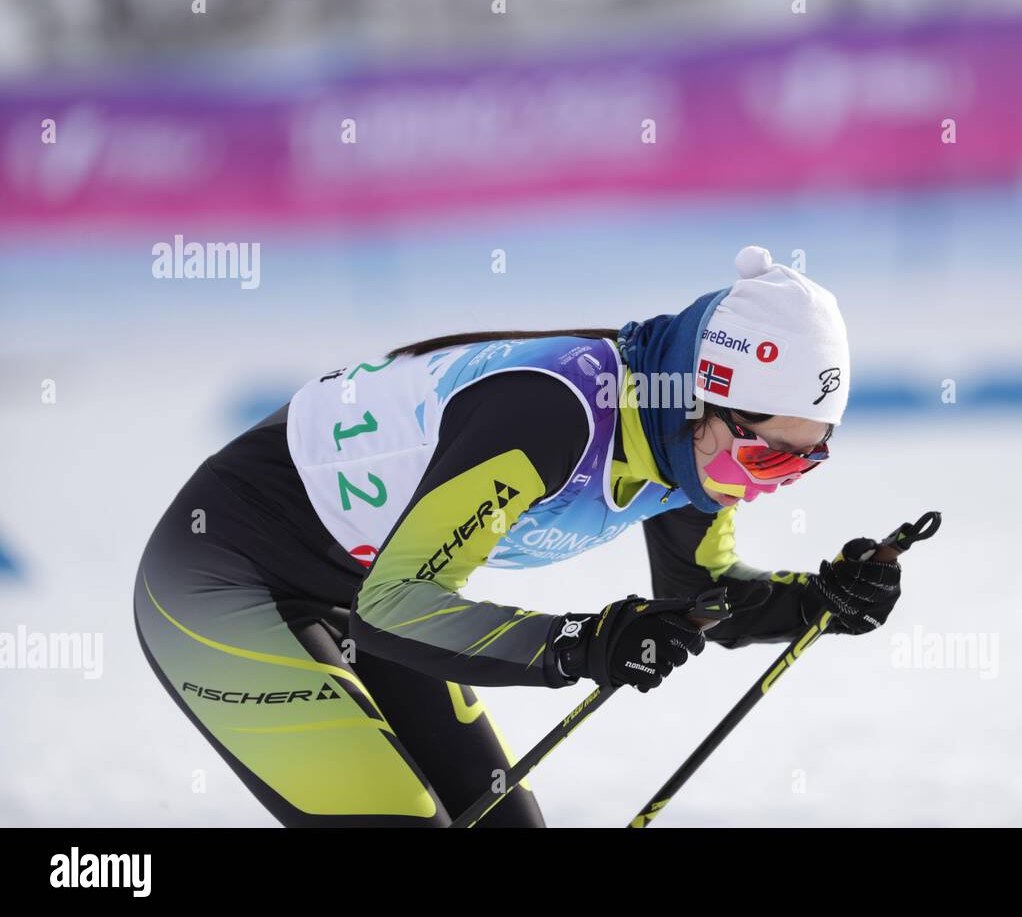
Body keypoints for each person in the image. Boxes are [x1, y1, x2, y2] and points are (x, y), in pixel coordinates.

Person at [133, 246, 906, 827]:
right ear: (705, 398)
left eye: (805, 465)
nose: (769, 484)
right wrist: (582, 640)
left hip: (359, 586)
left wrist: (822, 603)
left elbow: (702, 597)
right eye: (765, 455)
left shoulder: (688, 449)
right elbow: (397, 609)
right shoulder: (553, 414)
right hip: (221, 577)